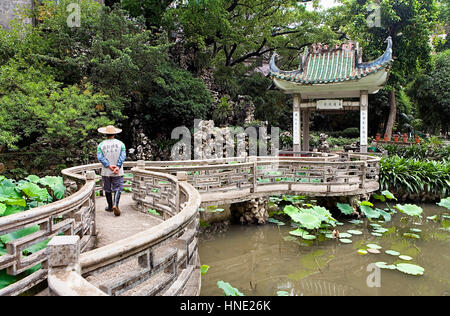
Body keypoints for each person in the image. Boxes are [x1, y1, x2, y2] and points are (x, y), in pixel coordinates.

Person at [97, 125, 126, 216]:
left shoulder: (101, 145)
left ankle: (110, 206)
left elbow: (100, 157)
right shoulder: (121, 144)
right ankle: (115, 204)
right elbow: (123, 156)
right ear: (115, 134)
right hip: (118, 171)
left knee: (107, 189)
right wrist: (117, 166)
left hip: (106, 171)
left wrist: (108, 165)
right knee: (118, 188)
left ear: (105, 134)